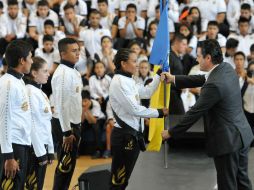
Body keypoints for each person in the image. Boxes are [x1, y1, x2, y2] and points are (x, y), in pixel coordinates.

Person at [161, 39, 254, 190]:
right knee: (242, 181)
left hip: (228, 141)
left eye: (198, 56)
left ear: (208, 58)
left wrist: (171, 132)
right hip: (242, 135)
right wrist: (174, 79)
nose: (196, 59)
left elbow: (194, 112)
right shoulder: (226, 68)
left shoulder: (214, 85)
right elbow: (201, 78)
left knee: (227, 185)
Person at [109, 48, 168, 190]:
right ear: (123, 63)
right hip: (124, 135)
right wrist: (159, 112)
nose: (136, 65)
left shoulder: (128, 79)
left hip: (131, 135)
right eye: (134, 61)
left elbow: (146, 93)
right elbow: (134, 109)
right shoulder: (119, 82)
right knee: (119, 179)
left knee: (124, 179)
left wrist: (158, 75)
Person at [0, 40, 33, 189]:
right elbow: (4, 119)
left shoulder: (18, 81)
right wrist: (8, 156)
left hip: (21, 143)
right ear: (22, 60)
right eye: (30, 57)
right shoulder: (7, 84)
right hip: (12, 146)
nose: (32, 61)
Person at [51, 37, 83, 190]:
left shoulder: (72, 70)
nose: (78, 53)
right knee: (65, 166)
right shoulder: (63, 74)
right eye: (74, 51)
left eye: (78, 50)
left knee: (69, 165)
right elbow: (62, 105)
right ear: (63, 54)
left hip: (72, 124)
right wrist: (67, 132)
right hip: (66, 125)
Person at [24, 56, 54, 190]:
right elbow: (33, 124)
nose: (48, 74)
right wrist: (40, 152)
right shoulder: (30, 92)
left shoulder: (40, 92)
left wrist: (50, 150)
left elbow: (46, 124)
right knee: (33, 186)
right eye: (45, 71)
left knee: (38, 185)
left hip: (42, 146)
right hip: (34, 149)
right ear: (34, 73)